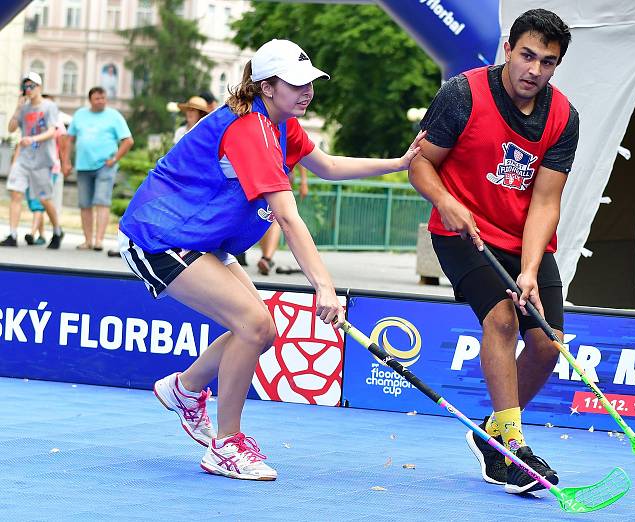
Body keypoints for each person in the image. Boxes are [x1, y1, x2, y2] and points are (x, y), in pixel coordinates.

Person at [118, 39, 424, 480]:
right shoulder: (249, 129)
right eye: (295, 83)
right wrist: (324, 285)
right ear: (265, 87)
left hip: (200, 238)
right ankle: (225, 445)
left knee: (261, 331)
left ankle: (186, 389)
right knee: (255, 325)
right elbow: (286, 214)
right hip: (159, 236)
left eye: (310, 82)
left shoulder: (282, 124)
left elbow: (329, 166)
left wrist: (399, 163)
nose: (307, 91)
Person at [409, 9, 579, 495]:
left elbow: (546, 200)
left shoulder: (564, 117)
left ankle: (490, 434)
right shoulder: (462, 94)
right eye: (527, 56)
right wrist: (446, 201)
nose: (534, 70)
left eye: (548, 62)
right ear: (508, 48)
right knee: (502, 319)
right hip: (463, 234)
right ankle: (513, 449)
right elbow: (421, 166)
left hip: (523, 240)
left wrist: (529, 270)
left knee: (547, 345)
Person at [63, 86, 134, 252]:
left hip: (105, 166)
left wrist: (115, 158)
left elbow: (128, 140)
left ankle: (98, 241)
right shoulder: (80, 115)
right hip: (83, 165)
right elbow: (69, 139)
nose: (101, 101)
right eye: (97, 98)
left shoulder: (114, 116)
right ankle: (87, 240)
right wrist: (66, 161)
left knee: (102, 201)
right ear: (90, 100)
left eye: (103, 98)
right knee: (84, 203)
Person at [2, 72, 64, 249]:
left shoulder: (49, 106)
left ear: (40, 87)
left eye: (32, 86)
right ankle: (12, 234)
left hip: (43, 160)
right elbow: (12, 128)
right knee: (15, 193)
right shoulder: (24, 108)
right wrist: (17, 109)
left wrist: (34, 139)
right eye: (25, 87)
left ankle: (58, 230)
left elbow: (53, 131)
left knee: (44, 199)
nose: (28, 90)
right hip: (23, 159)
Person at [256, 163, 308, 275]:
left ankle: (266, 258)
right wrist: (304, 181)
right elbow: (300, 156)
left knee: (265, 216)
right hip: (280, 174)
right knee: (273, 217)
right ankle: (266, 258)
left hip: (264, 173)